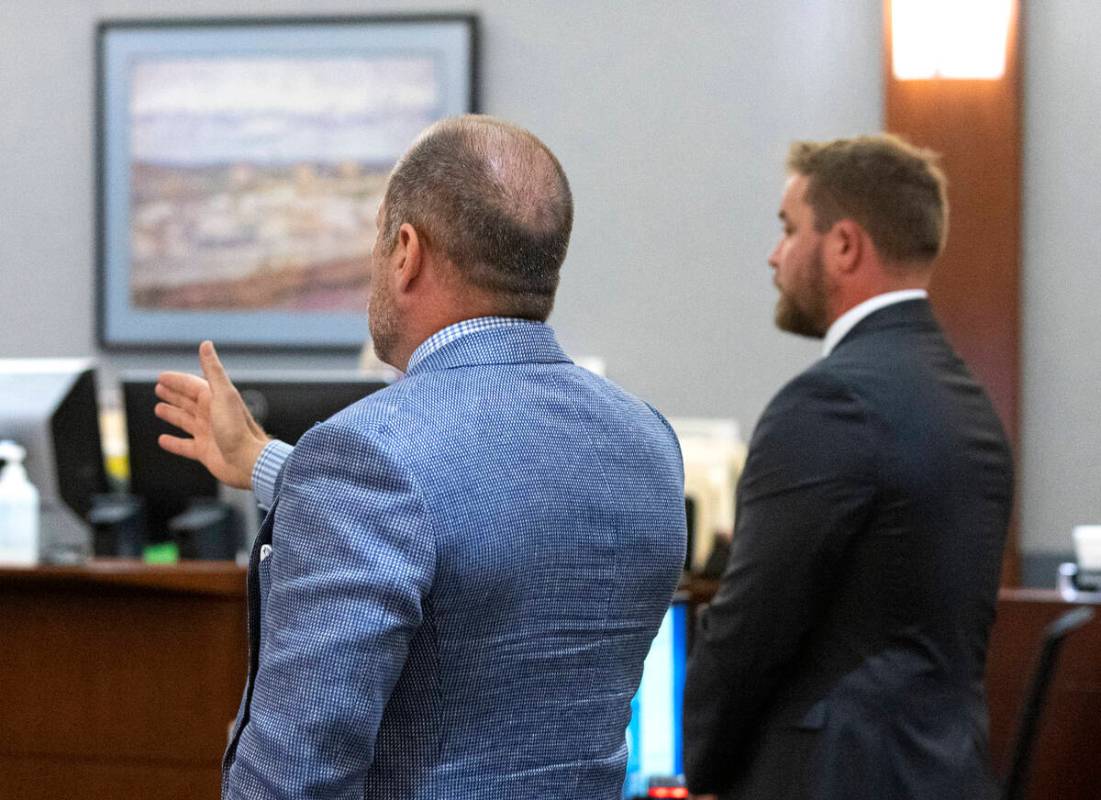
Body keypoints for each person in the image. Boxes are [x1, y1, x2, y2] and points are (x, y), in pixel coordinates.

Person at [155, 115, 687, 800]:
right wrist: (266, 462)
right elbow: (479, 510)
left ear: (406, 250)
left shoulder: (367, 455)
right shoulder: (645, 439)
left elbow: (295, 775)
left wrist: (316, 473)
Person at [682, 135, 1014, 800]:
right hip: (942, 771)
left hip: (832, 776)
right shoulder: (968, 401)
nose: (774, 255)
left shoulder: (828, 401)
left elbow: (751, 628)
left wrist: (701, 768)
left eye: (787, 229)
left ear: (843, 246)